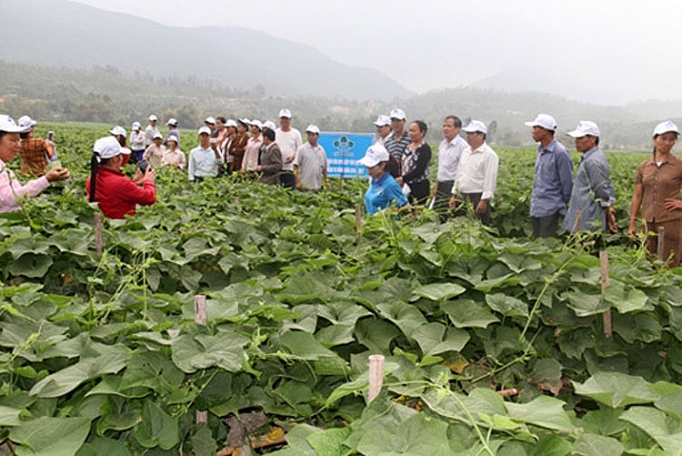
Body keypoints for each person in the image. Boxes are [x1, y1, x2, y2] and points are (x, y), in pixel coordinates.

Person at [628, 121, 682, 267]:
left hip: (670, 220)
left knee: (669, 263)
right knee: (647, 262)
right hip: (647, 221)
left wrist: (680, 204)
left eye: (672, 139)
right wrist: (632, 222)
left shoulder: (679, 165)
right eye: (663, 138)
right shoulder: (644, 166)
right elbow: (637, 196)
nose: (667, 143)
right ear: (654, 139)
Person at [0, 115, 69, 213]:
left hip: (25, 172)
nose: (18, 145)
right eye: (13, 140)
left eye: (18, 140)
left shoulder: (4, 166)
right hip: (39, 174)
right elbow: (9, 198)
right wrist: (46, 179)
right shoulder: (39, 142)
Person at [524, 113, 574, 238]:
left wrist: (562, 205)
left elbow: (567, 183)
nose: (532, 132)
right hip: (537, 207)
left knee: (546, 247)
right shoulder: (541, 151)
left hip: (551, 208)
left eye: (535, 128)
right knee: (536, 245)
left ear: (545, 131)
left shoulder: (560, 152)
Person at [563, 121, 617, 233]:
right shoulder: (591, 157)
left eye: (580, 138)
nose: (576, 141)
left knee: (584, 249)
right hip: (582, 218)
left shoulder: (593, 161)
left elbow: (601, 190)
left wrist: (608, 211)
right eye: (576, 138)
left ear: (593, 139)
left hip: (587, 220)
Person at [86, 136, 156, 219]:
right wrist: (148, 181)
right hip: (120, 227)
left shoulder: (92, 178)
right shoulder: (120, 182)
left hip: (103, 225)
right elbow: (149, 198)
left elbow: (114, 194)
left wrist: (133, 183)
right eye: (121, 155)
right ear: (115, 159)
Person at [449, 120, 499, 226]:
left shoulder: (489, 155)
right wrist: (454, 193)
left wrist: (484, 200)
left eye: (471, 134)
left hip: (477, 196)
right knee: (460, 227)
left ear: (481, 135)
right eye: (467, 133)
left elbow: (490, 179)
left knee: (478, 227)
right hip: (462, 195)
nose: (468, 136)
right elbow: (459, 173)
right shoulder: (465, 152)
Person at [432, 115, 468, 219]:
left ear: (457, 129)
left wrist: (455, 193)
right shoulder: (442, 144)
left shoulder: (463, 146)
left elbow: (463, 171)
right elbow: (441, 168)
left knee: (450, 216)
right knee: (438, 215)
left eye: (449, 126)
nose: (445, 128)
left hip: (453, 186)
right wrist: (437, 185)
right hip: (441, 185)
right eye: (444, 126)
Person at [359, 144, 409, 215]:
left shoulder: (391, 185)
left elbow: (406, 207)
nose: (368, 171)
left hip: (384, 224)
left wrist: (384, 213)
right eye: (367, 167)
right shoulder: (374, 181)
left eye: (371, 168)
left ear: (382, 165)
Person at [396, 120, 431, 205]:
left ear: (422, 132)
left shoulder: (424, 149)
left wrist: (404, 178)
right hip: (405, 185)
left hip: (419, 187)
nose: (410, 133)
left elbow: (420, 169)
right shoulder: (407, 147)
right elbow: (402, 164)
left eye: (413, 131)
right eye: (410, 131)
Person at [293, 124, 330, 192]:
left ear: (317, 136)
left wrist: (326, 181)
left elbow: (324, 169)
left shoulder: (321, 150)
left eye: (313, 135)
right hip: (304, 186)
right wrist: (298, 181)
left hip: (317, 187)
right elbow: (295, 167)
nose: (311, 137)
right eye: (309, 135)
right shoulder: (301, 149)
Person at [275, 108, 303, 190]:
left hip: (290, 169)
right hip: (278, 168)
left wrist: (293, 157)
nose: (284, 121)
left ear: (290, 120)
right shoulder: (276, 133)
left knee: (290, 190)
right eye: (282, 118)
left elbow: (299, 150)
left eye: (286, 118)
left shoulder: (295, 133)